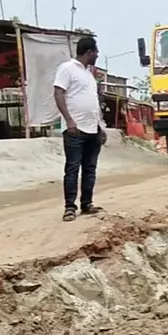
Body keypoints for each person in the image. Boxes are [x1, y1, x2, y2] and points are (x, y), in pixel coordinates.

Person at [53, 35, 106, 222]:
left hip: (93, 129)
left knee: (90, 168)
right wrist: (69, 121)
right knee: (73, 168)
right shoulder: (67, 68)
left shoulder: (88, 74)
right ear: (89, 52)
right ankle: (69, 207)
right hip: (75, 129)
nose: (98, 55)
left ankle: (86, 203)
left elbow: (93, 103)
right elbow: (58, 93)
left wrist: (101, 126)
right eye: (96, 52)